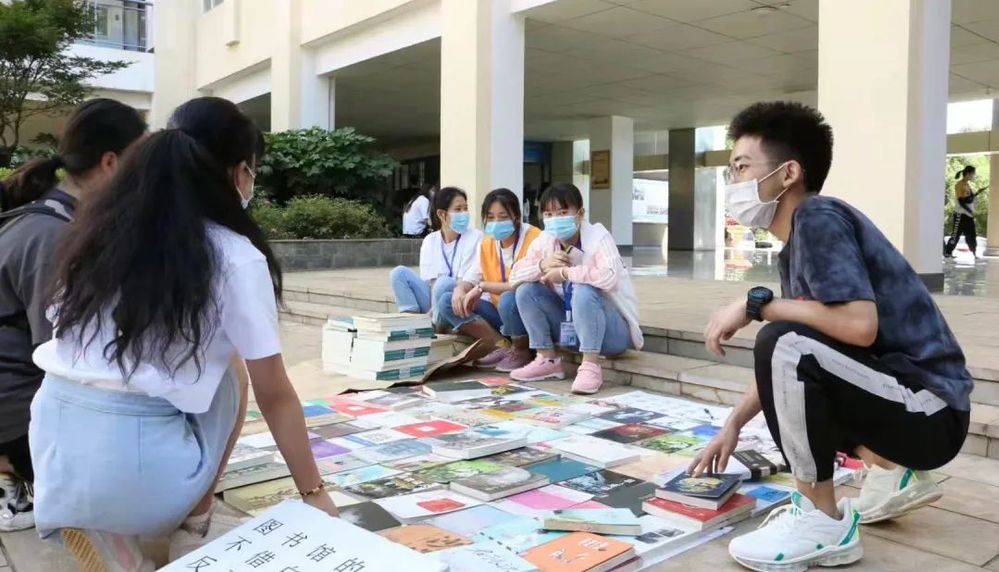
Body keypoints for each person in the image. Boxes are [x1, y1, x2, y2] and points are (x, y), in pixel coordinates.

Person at [28, 97, 338, 571]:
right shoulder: (234, 255)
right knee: (233, 372)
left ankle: (101, 524)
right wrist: (314, 493)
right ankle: (193, 526)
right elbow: (275, 394)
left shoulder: (94, 233)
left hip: (53, 448)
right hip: (141, 473)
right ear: (240, 173)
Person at [690, 101, 971, 572]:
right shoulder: (797, 244)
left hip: (930, 411)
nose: (732, 182)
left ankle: (821, 520)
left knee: (781, 339)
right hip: (909, 405)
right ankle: (893, 470)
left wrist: (755, 304)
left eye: (741, 167)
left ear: (788, 173)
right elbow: (798, 358)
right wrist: (733, 425)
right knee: (787, 347)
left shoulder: (818, 217)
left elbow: (859, 325)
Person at [0, 100, 147, 533]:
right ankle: (15, 475)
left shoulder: (52, 218)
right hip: (15, 409)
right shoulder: (54, 236)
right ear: (111, 162)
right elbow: (63, 354)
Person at [507, 183, 643, 395]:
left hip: (612, 334)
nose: (555, 219)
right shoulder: (545, 240)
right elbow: (514, 276)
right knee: (526, 291)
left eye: (563, 212)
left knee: (584, 290)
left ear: (580, 214)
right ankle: (546, 359)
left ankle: (590, 366)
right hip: (571, 328)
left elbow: (608, 277)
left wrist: (566, 273)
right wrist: (542, 265)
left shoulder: (598, 237)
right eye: (549, 214)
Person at [439, 188, 542, 371]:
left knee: (509, 298)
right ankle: (502, 346)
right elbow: (471, 276)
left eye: (503, 217)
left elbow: (523, 285)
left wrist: (483, 287)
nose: (496, 223)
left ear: (516, 217)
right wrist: (460, 290)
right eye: (490, 217)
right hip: (499, 312)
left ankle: (522, 351)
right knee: (448, 301)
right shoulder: (487, 242)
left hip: (527, 313)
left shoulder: (535, 238)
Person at [390, 186, 483, 323]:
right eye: (458, 209)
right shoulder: (430, 240)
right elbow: (430, 282)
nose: (463, 213)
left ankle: (436, 325)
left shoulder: (476, 237)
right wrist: (433, 308)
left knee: (444, 282)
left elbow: (469, 280)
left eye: (465, 208)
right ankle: (410, 322)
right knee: (398, 273)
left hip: (459, 298)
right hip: (434, 299)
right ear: (441, 214)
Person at [944, 165, 986, 259]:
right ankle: (948, 252)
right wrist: (969, 210)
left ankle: (974, 253)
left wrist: (977, 193)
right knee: (956, 235)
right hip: (960, 214)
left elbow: (969, 199)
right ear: (968, 173)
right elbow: (961, 201)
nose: (973, 176)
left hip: (968, 215)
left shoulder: (967, 185)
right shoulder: (959, 185)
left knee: (972, 235)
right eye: (973, 174)